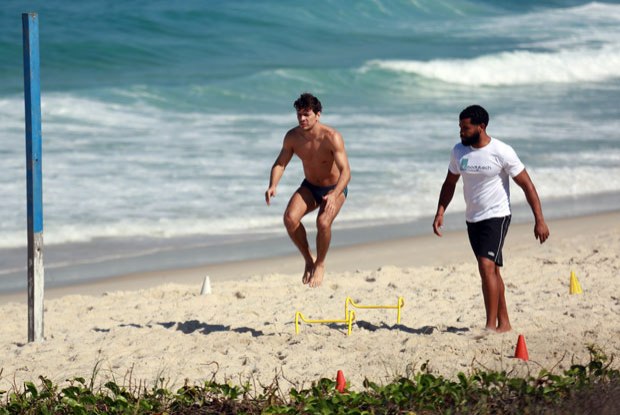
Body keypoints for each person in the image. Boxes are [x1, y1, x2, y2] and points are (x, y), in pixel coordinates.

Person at [432, 105, 549, 333]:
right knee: (492, 270)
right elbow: (449, 183)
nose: (461, 132)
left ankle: (490, 327)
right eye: (459, 127)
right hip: (472, 218)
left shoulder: (501, 151)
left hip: (497, 215)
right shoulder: (459, 151)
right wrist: (440, 211)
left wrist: (539, 219)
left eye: (465, 128)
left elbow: (527, 185)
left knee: (486, 267)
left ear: (481, 127)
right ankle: (504, 323)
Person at [265, 93, 351, 288]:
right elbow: (280, 163)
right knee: (289, 219)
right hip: (311, 186)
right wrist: (273, 185)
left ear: (318, 115)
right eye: (299, 114)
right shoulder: (293, 137)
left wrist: (335, 194)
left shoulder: (331, 137)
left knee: (322, 222)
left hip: (335, 188)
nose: (302, 119)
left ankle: (320, 264)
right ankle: (308, 260)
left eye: (306, 114)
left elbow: (346, 172)